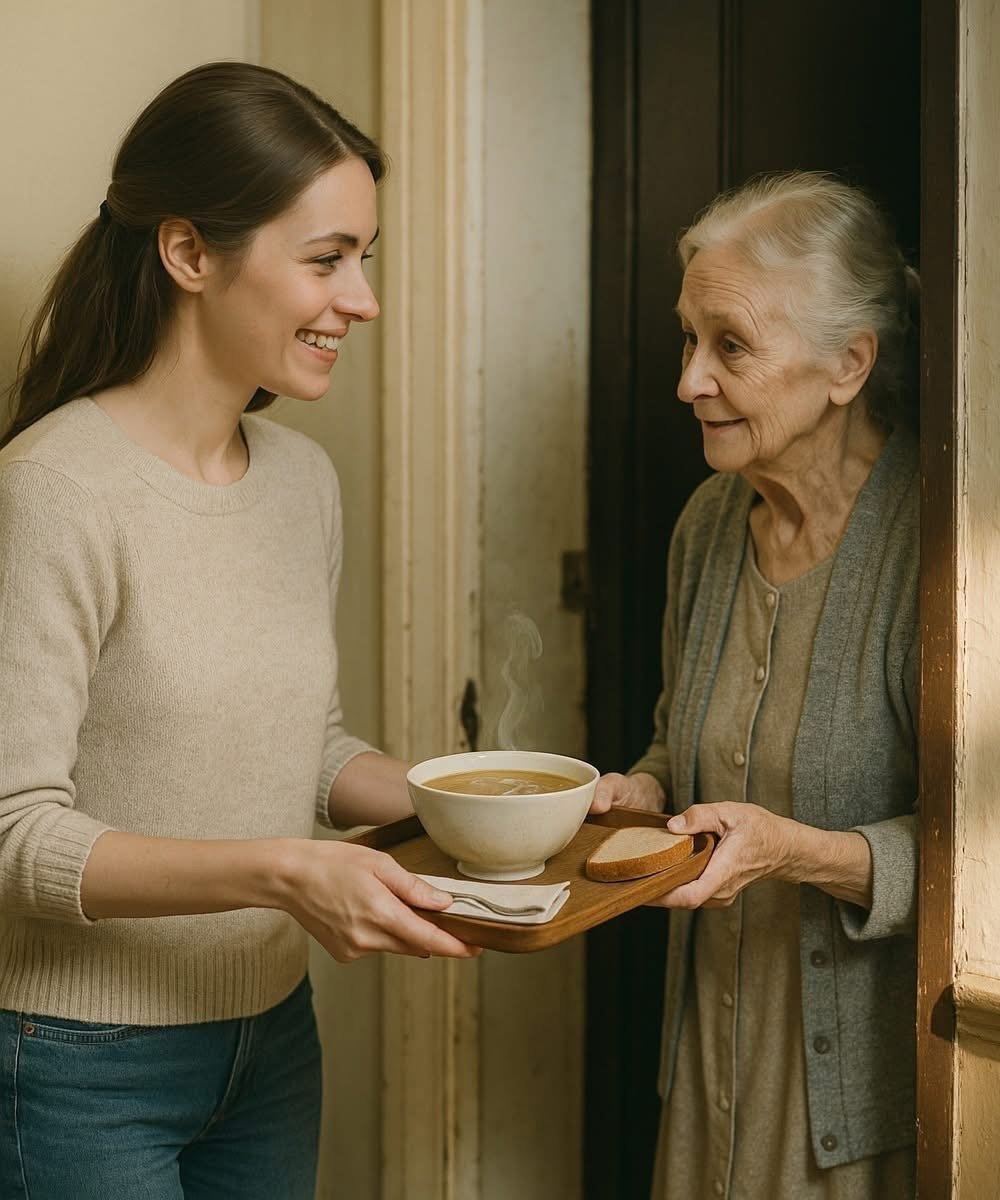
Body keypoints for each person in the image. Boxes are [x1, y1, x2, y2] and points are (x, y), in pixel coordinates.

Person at [0, 61, 478, 1200]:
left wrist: (493, 808)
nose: (360, 300)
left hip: (270, 1042)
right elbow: (15, 834)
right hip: (75, 1067)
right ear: (189, 254)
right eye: (326, 260)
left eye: (364, 258)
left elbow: (298, 751)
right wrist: (280, 876)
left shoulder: (301, 480)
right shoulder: (55, 490)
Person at [591, 172, 919, 1198]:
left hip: (855, 1113)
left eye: (728, 346)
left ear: (846, 365)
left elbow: (984, 853)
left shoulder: (939, 549)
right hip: (706, 1074)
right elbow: (680, 738)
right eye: (687, 341)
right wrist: (641, 789)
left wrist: (794, 852)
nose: (688, 380)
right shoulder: (706, 526)